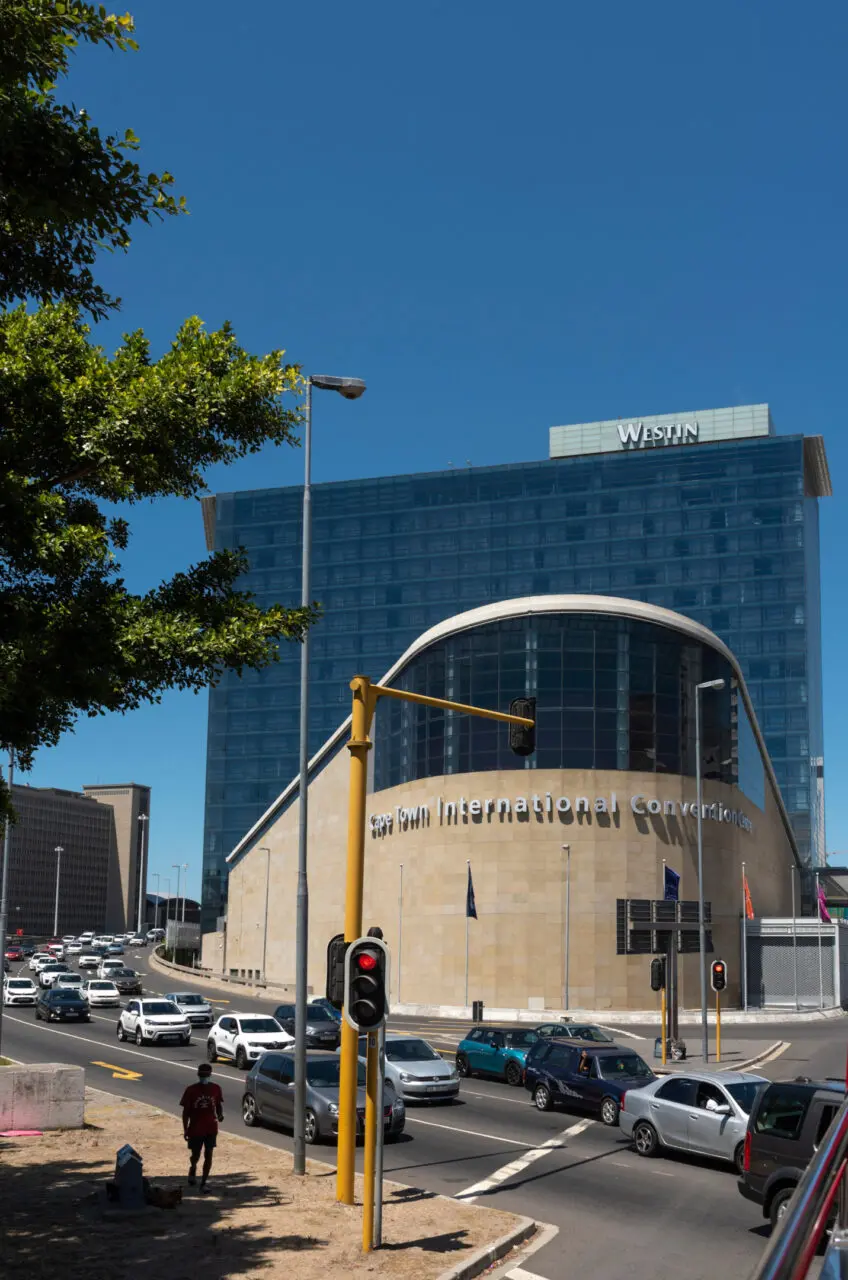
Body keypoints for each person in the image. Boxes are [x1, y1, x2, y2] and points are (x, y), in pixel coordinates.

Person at [180, 1062, 224, 1192]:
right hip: (196, 1128)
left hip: (211, 1127)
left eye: (206, 1075)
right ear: (198, 1075)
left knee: (208, 1154)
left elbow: (218, 1105)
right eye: (202, 1075)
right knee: (196, 1154)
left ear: (210, 1075)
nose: (204, 1077)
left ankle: (203, 1183)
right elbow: (185, 1113)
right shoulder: (191, 1090)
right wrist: (185, 1129)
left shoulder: (216, 1088)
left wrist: (220, 1115)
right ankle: (193, 1167)